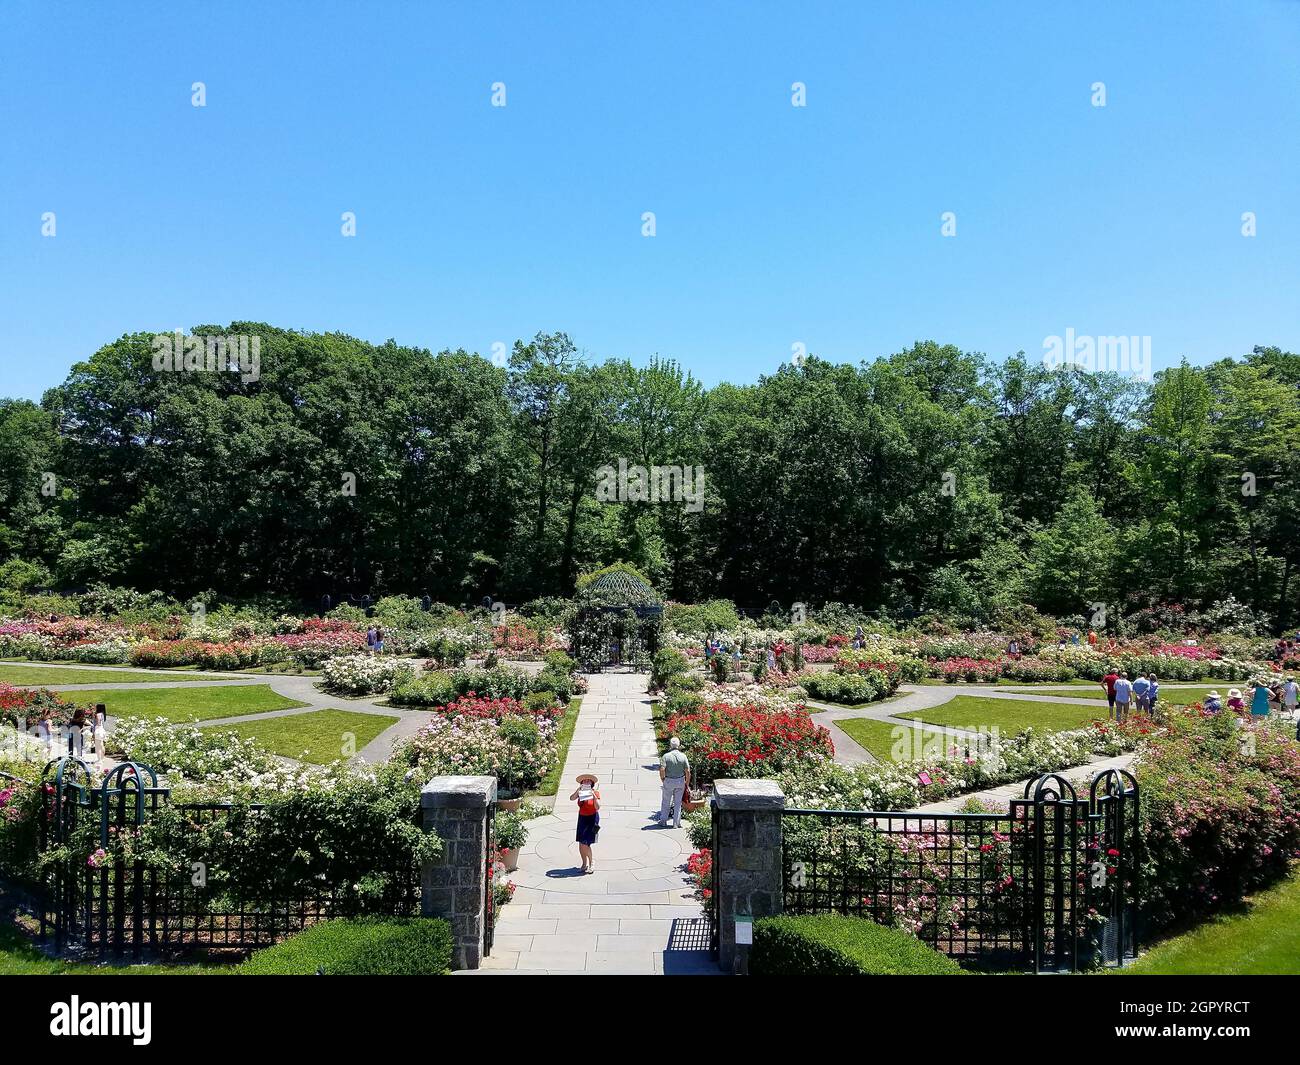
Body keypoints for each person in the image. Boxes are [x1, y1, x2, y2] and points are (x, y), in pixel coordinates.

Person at [569, 773, 601, 873]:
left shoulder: (595, 792)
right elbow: (571, 798)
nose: (586, 782)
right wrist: (578, 791)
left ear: (592, 783)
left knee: (586, 843)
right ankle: (584, 864)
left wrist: (594, 796)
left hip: (592, 818)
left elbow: (598, 807)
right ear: (581, 783)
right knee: (581, 842)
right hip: (582, 818)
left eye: (588, 781)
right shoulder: (580, 792)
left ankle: (591, 863)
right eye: (584, 781)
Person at [659, 737, 691, 829]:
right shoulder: (683, 756)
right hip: (680, 780)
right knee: (678, 803)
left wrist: (663, 779)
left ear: (670, 745)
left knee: (666, 801)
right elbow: (688, 771)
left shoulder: (666, 756)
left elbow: (662, 769)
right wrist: (687, 783)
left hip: (668, 780)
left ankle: (663, 821)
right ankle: (676, 823)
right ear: (679, 745)